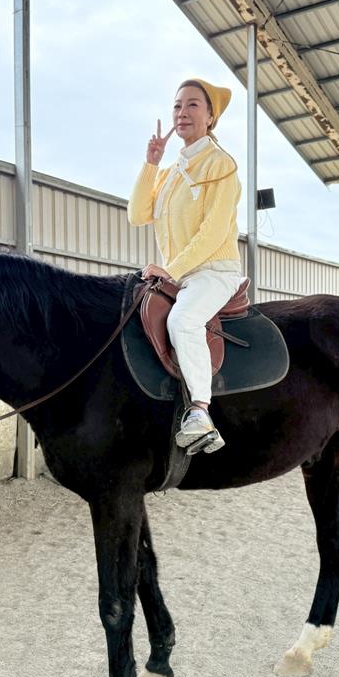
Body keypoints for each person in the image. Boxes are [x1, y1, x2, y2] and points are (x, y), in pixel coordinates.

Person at [127, 78, 244, 453]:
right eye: (177, 105)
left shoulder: (221, 165)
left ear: (210, 117)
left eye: (193, 105)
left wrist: (172, 270)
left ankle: (200, 413)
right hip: (180, 274)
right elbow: (137, 215)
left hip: (213, 272)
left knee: (182, 321)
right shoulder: (169, 172)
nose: (182, 112)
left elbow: (213, 232)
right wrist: (151, 164)